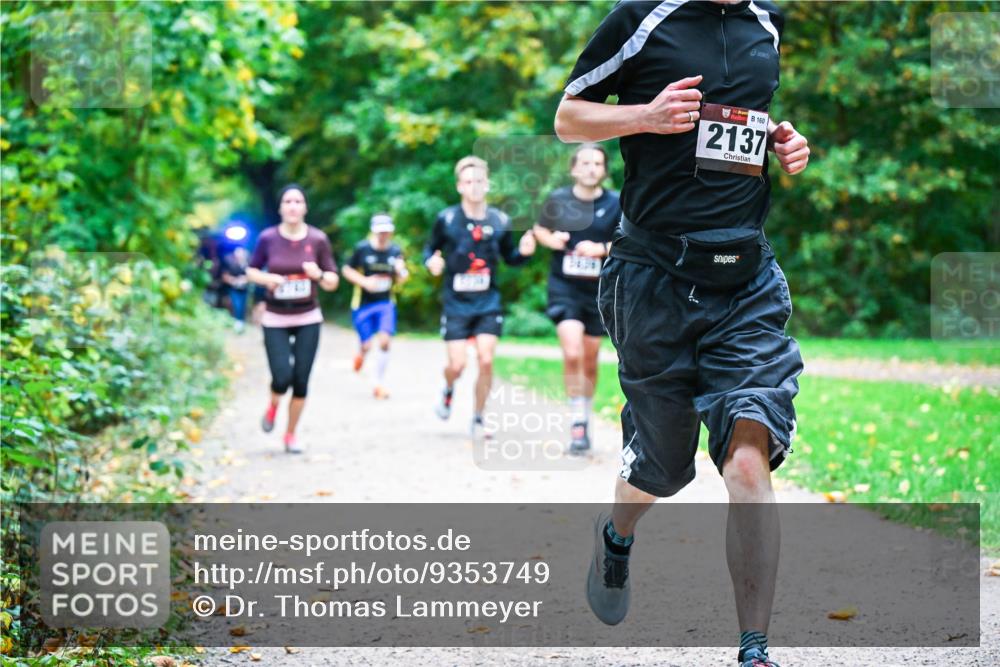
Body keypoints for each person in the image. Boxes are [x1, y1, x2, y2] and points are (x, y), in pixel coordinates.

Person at [555, 1, 810, 666]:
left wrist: (783, 140)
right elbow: (567, 117)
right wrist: (644, 116)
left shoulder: (766, 23)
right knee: (662, 470)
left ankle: (754, 649)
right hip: (653, 281)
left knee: (749, 454)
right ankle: (616, 534)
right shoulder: (642, 17)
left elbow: (740, 127)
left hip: (745, 280)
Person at [423, 156, 537, 438]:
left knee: (486, 360)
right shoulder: (447, 218)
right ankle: (448, 389)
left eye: (479, 181)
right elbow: (430, 250)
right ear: (460, 186)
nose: (474, 186)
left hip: (488, 302)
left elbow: (511, 258)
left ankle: (478, 418)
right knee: (457, 365)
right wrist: (431, 262)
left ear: (487, 185)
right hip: (456, 302)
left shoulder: (500, 219)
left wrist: (523, 252)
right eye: (468, 182)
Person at [533, 143, 621, 455]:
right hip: (564, 287)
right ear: (573, 169)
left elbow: (628, 241)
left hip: (598, 291)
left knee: (590, 357)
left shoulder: (615, 203)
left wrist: (601, 249)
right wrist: (552, 240)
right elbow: (539, 230)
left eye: (597, 163)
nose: (591, 168)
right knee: (571, 352)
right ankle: (577, 420)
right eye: (584, 163)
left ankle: (584, 413)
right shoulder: (558, 200)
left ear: (604, 171)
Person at [246, 184, 339, 454]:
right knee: (281, 377)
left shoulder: (318, 240)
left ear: (305, 207)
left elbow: (333, 280)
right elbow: (251, 271)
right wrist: (268, 279)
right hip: (275, 316)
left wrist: (318, 275)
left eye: (298, 201)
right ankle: (273, 405)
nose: (293, 206)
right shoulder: (268, 238)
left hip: (308, 316)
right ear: (281, 208)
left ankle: (290, 434)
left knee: (300, 380)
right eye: (288, 201)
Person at [342, 213, 409, 399]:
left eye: (386, 231)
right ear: (373, 231)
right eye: (380, 231)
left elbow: (403, 277)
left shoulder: (395, 251)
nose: (383, 235)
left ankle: (378, 384)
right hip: (362, 304)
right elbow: (346, 270)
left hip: (385, 303)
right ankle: (360, 356)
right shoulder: (362, 249)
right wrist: (364, 282)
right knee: (367, 345)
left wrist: (400, 270)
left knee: (385, 341)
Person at [220, 246, 250, 333]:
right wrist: (234, 281)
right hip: (234, 288)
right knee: (237, 305)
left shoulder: (247, 264)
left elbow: (251, 275)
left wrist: (244, 279)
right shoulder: (230, 264)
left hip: (244, 289)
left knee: (243, 306)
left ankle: (241, 323)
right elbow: (224, 276)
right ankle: (237, 322)